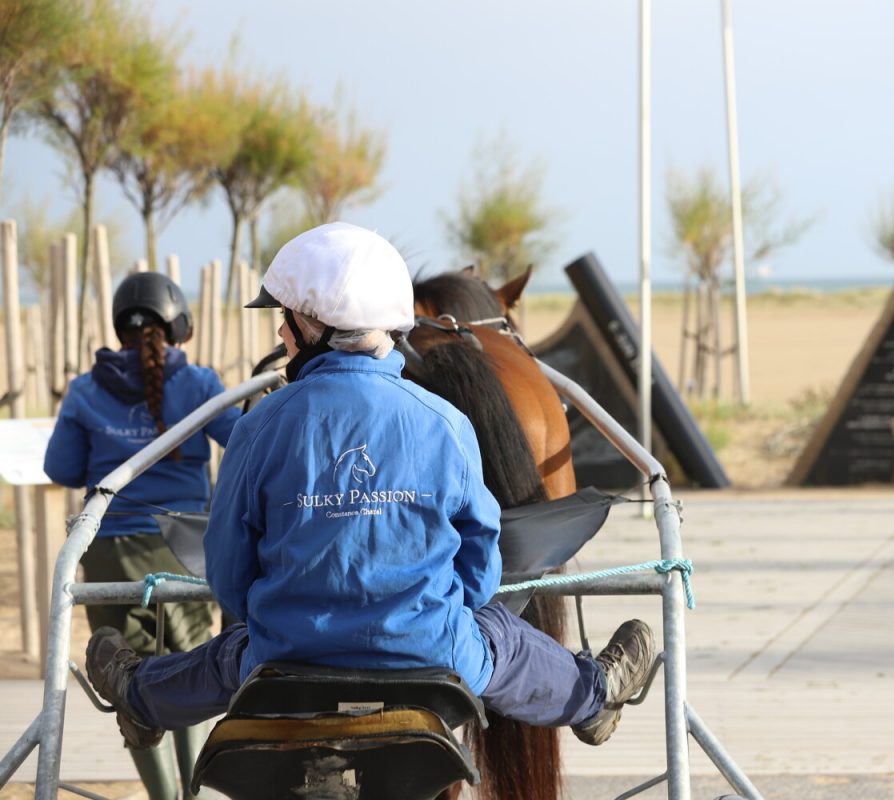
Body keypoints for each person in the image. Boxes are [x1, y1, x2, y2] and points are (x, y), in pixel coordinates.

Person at [83, 222, 656, 765]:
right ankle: (594, 695)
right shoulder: (447, 423)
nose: (280, 333)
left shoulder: (258, 427)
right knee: (502, 636)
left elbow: (227, 573)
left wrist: (279, 614)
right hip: (432, 654)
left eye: (286, 319)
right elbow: (482, 568)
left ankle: (137, 696)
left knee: (225, 656)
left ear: (315, 325)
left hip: (285, 659)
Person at [43, 271, 240, 800]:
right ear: (177, 322)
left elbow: (60, 467)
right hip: (186, 554)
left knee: (129, 686)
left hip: (107, 555)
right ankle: (195, 795)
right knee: (193, 684)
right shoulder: (199, 384)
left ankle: (163, 798)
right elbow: (245, 443)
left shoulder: (86, 389)